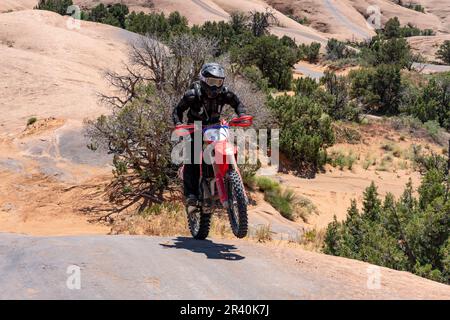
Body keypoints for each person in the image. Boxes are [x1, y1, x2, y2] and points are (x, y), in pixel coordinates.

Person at [172, 63, 247, 205]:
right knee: (192, 158)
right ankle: (191, 194)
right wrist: (179, 125)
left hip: (215, 127)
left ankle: (230, 180)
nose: (215, 86)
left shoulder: (224, 93)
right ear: (204, 80)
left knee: (227, 148)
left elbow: (237, 104)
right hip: (195, 128)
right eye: (211, 82)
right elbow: (177, 111)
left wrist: (241, 114)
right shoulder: (192, 95)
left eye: (218, 82)